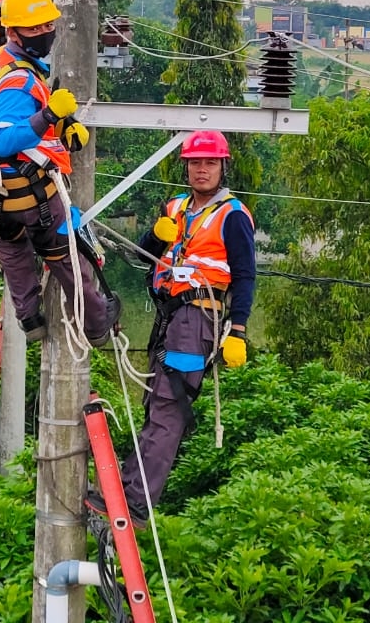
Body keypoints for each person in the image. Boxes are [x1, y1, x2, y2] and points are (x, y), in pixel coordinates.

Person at [87, 130, 255, 528]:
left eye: (209, 163)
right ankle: (131, 491)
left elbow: (245, 276)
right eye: (196, 163)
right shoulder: (176, 208)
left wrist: (239, 330)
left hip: (198, 319)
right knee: (155, 404)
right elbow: (144, 254)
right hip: (169, 316)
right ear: (186, 167)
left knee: (168, 408)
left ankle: (134, 502)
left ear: (221, 167)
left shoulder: (232, 216)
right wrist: (156, 237)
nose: (202, 169)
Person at [0, 0, 117, 345]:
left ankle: (29, 318)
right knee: (64, 255)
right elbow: (4, 141)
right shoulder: (18, 79)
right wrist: (50, 113)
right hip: (28, 191)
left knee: (14, 249)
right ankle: (96, 324)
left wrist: (61, 124)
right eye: (34, 28)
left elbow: (14, 119)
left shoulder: (0, 62)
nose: (44, 33)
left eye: (48, 26)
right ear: (13, 30)